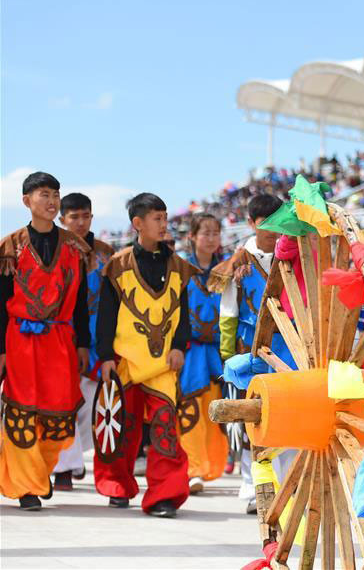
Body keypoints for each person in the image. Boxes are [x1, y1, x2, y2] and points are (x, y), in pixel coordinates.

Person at [95, 193, 197, 518]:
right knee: (122, 430)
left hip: (163, 363)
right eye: (157, 218)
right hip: (125, 360)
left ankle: (164, 496)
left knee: (165, 428)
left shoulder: (179, 267)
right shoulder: (118, 265)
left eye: (165, 217)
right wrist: (105, 356)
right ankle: (117, 485)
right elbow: (106, 315)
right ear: (138, 223)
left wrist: (179, 346)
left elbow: (183, 313)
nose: (164, 224)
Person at [0, 172, 90, 511]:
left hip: (60, 339)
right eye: (44, 194)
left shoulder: (75, 248)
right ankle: (27, 487)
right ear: (27, 201)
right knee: (22, 413)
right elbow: (0, 302)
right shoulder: (9, 247)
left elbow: (81, 302)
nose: (51, 201)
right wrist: (0, 350)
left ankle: (38, 473)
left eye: (55, 194)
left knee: (59, 418)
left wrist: (83, 343)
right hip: (20, 340)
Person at [210, 193, 297, 514]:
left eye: (278, 222)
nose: (273, 230)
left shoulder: (294, 254)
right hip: (251, 349)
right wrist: (227, 355)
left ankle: (287, 486)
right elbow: (228, 313)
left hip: (289, 349)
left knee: (289, 417)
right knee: (252, 420)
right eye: (265, 223)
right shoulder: (237, 262)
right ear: (251, 223)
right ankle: (252, 489)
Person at [52, 193, 115, 491]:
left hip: (98, 337)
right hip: (62, 336)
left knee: (91, 403)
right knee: (63, 401)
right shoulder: (53, 249)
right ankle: (65, 468)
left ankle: (75, 458)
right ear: (62, 219)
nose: (80, 222)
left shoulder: (107, 254)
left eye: (85, 216)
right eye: (74, 217)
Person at [178, 213, 229, 494]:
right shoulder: (181, 269)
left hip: (219, 351)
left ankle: (211, 465)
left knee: (214, 410)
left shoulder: (228, 269)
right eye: (205, 233)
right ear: (193, 236)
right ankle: (193, 469)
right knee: (190, 409)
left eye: (215, 233)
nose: (211, 238)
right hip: (190, 351)